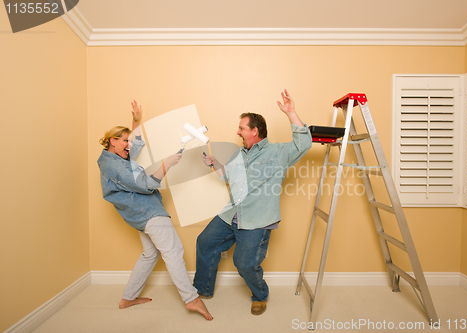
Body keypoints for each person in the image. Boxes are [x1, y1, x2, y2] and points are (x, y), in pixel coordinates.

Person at [193, 89, 312, 315]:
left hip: (257, 219)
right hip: (231, 215)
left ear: (254, 131)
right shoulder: (240, 154)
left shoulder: (277, 152)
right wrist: (214, 163)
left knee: (244, 263)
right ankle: (203, 289)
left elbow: (303, 144)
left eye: (241, 128)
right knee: (205, 242)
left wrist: (291, 113)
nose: (237, 132)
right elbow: (228, 176)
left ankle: (260, 296)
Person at [97, 101, 213, 321]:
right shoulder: (115, 166)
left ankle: (128, 298)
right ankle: (191, 299)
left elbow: (135, 145)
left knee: (150, 254)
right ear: (113, 141)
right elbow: (144, 184)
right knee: (174, 251)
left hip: (140, 215)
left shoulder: (116, 157)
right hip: (149, 213)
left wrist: (135, 121)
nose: (129, 146)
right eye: (124, 141)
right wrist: (167, 164)